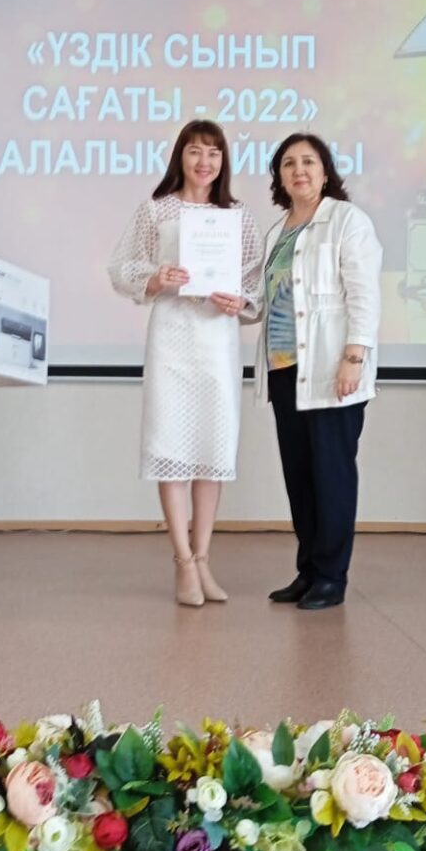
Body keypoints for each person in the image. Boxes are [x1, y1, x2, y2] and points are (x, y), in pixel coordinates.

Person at [109, 121, 261, 607]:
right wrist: (157, 278)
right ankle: (181, 561)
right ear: (181, 156)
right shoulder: (157, 209)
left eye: (214, 153)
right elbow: (122, 267)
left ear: (223, 161)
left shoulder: (237, 215)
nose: (204, 162)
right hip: (172, 337)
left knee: (213, 449)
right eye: (195, 152)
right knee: (171, 445)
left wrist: (242, 301)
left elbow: (255, 279)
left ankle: (203, 558)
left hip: (216, 340)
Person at [257, 134, 382, 612]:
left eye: (308, 161)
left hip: (331, 368)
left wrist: (354, 357)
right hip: (284, 370)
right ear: (279, 176)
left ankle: (332, 576)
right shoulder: (278, 231)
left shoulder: (347, 221)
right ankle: (308, 570)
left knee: (331, 475)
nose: (299, 170)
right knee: (300, 477)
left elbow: (364, 295)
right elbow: (268, 299)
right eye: (288, 163)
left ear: (325, 172)